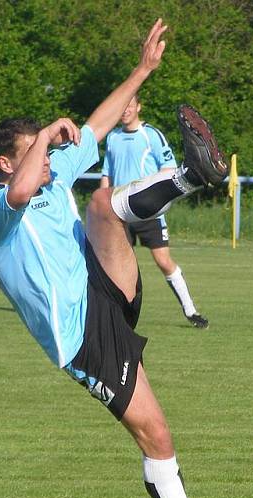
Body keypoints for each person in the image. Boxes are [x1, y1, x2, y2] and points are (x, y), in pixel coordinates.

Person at [0, 19, 246, 498]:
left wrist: (142, 70)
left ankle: (193, 177)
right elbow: (24, 187)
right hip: (82, 338)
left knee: (101, 203)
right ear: (7, 162)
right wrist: (48, 136)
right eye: (36, 154)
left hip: (105, 287)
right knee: (157, 435)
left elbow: (95, 125)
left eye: (47, 155)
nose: (48, 164)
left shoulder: (49, 176)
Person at [100, 94, 209, 329]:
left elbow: (169, 168)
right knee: (115, 265)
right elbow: (106, 174)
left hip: (148, 211)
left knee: (163, 260)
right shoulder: (113, 138)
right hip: (119, 211)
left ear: (138, 107)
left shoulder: (151, 135)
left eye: (130, 105)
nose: (125, 110)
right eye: (122, 106)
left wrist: (157, 195)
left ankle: (190, 310)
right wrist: (104, 203)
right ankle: (117, 315)